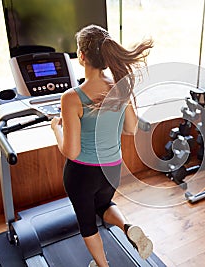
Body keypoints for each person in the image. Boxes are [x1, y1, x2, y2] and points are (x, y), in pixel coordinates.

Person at [51, 24, 154, 267]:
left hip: (82, 172)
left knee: (87, 224)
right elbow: (131, 128)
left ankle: (102, 265)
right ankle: (128, 227)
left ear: (82, 56)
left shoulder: (72, 97)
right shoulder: (120, 86)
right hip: (112, 167)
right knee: (104, 204)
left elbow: (71, 151)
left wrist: (57, 129)